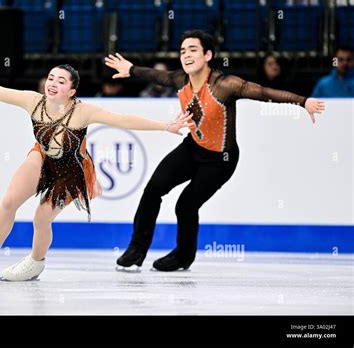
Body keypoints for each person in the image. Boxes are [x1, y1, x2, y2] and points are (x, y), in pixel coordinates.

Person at [0, 65, 192, 283]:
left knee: (41, 219)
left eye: (61, 81)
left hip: (72, 171)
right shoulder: (33, 101)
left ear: (72, 91)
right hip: (42, 156)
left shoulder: (82, 112)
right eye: (51, 78)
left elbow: (123, 120)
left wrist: (164, 126)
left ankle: (35, 262)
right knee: (9, 201)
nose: (52, 83)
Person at [105, 29, 325, 272]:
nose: (186, 55)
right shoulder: (181, 80)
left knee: (185, 205)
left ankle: (183, 256)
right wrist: (132, 69)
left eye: (193, 50)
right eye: (182, 51)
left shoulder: (225, 85)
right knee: (153, 189)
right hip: (192, 148)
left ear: (207, 55)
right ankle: (136, 250)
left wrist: (303, 101)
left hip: (221, 160)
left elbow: (263, 92)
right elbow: (158, 76)